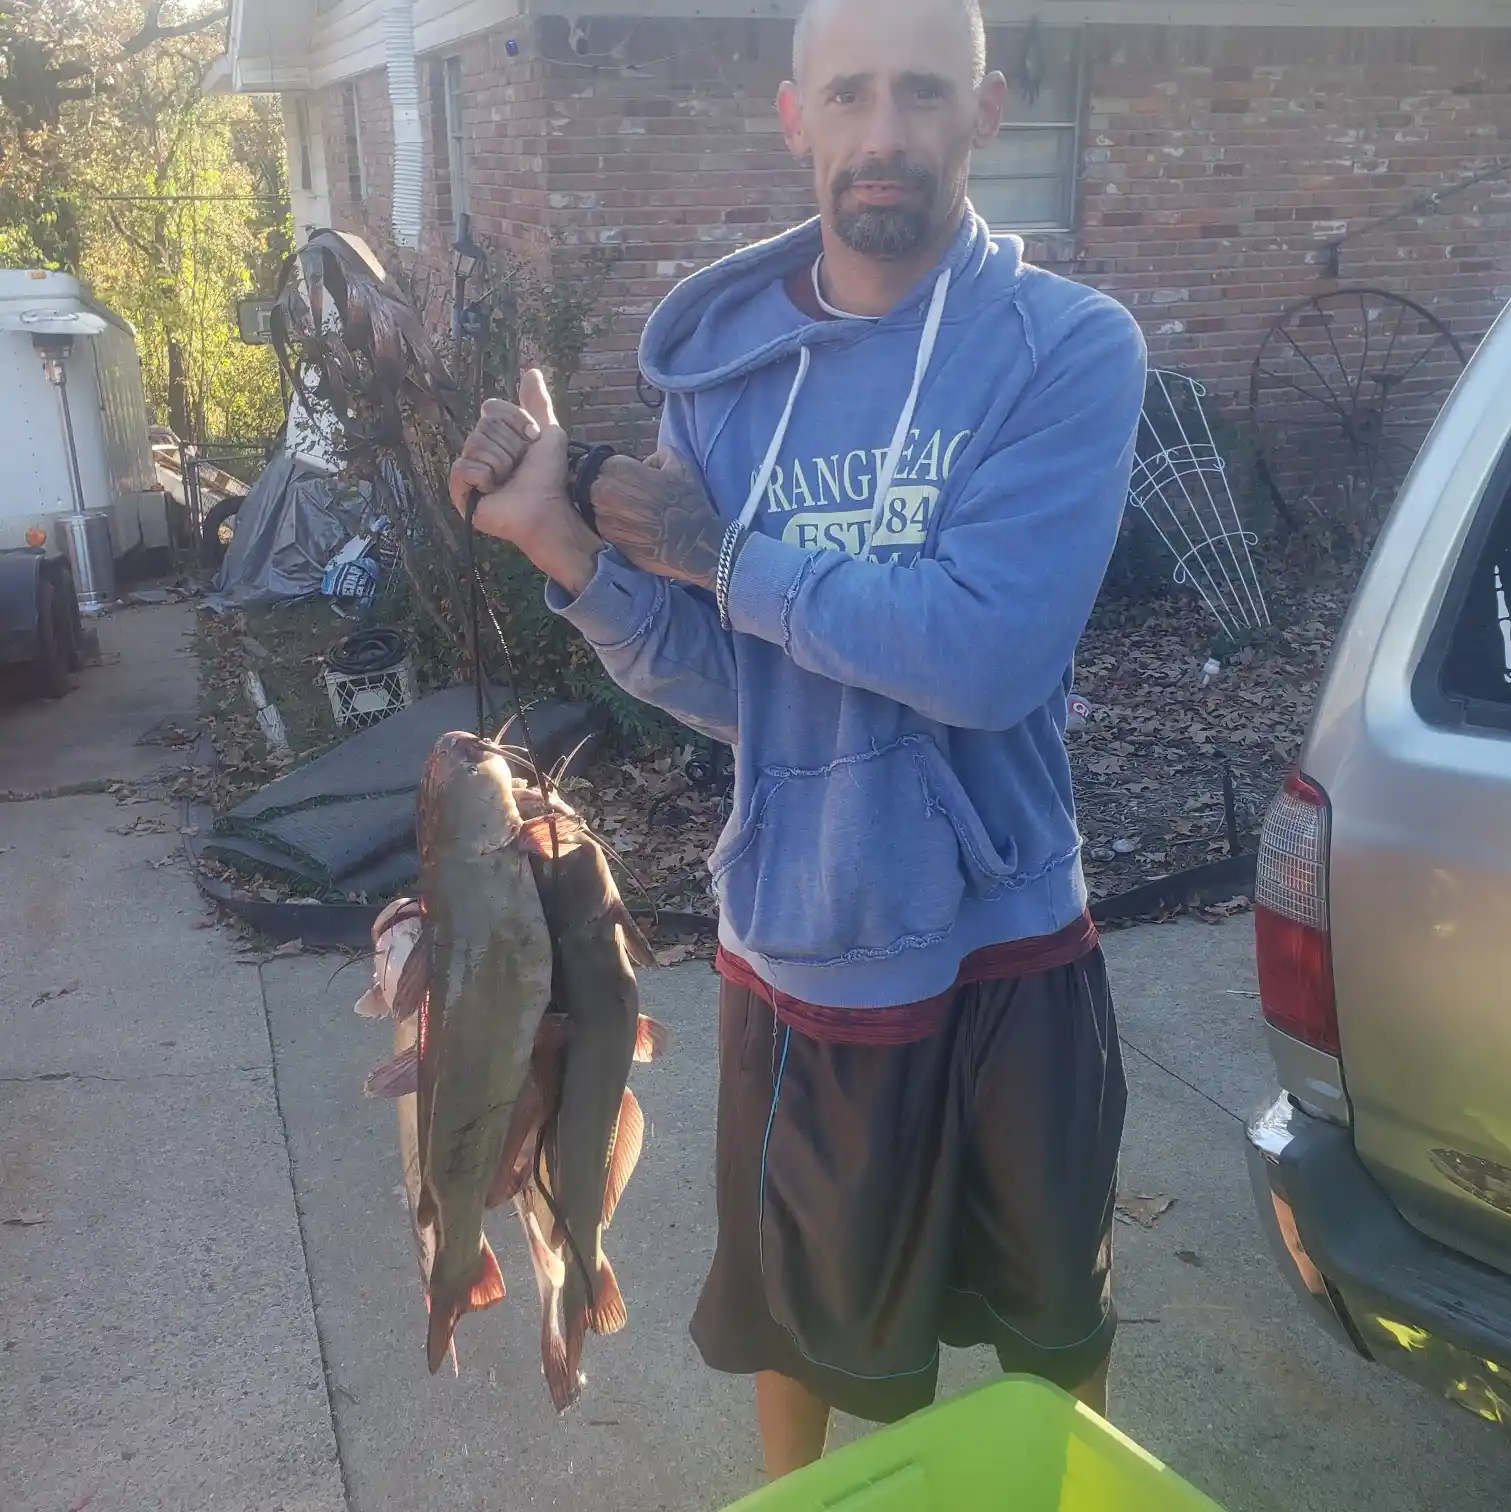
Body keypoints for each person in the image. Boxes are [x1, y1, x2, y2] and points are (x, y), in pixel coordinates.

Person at [449, 0, 1147, 1480]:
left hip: (1012, 938)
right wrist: (569, 556)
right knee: (811, 1335)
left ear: (987, 108)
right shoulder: (724, 380)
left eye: (920, 94)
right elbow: (730, 679)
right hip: (809, 940)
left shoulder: (1067, 350)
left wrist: (736, 553)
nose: (883, 134)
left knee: (1052, 1316)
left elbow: (987, 656)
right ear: (795, 119)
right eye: (849, 96)